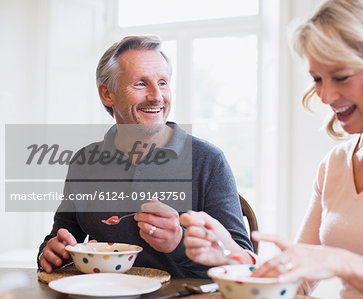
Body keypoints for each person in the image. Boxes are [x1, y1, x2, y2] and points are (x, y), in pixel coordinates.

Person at [181, 0, 363, 297]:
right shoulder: (335, 163)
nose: (325, 95)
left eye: (341, 77)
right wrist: (229, 253)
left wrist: (341, 261)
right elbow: (299, 281)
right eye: (317, 79)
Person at [38, 35, 253, 278]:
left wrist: (179, 244)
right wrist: (53, 253)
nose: (157, 96)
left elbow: (242, 263)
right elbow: (63, 240)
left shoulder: (208, 160)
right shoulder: (84, 162)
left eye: (162, 83)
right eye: (141, 84)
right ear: (107, 94)